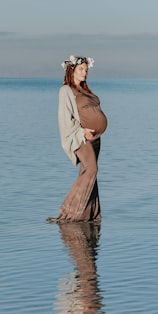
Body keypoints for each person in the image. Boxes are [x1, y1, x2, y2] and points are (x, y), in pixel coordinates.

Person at [50, 55, 107, 223]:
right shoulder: (66, 90)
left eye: (86, 70)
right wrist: (82, 132)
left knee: (88, 173)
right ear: (71, 70)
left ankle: (90, 214)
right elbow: (65, 118)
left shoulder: (85, 90)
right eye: (81, 69)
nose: (85, 72)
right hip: (81, 138)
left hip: (95, 138)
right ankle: (69, 212)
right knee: (91, 170)